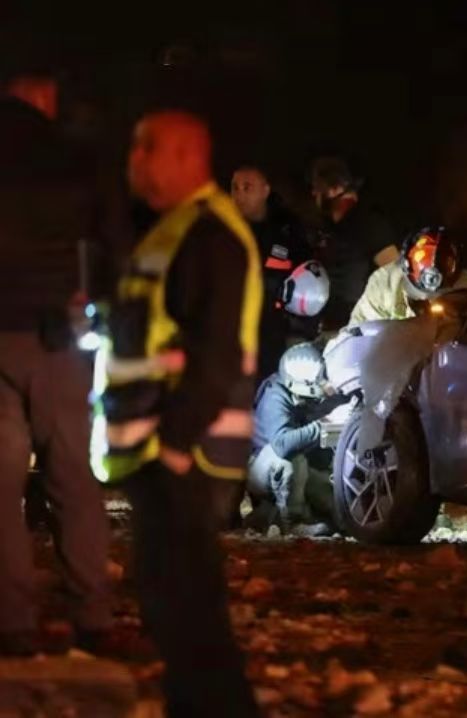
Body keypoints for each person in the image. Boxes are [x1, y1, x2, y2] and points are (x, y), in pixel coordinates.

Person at [96, 109, 259, 715]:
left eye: (148, 148)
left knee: (190, 611)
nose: (134, 161)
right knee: (174, 606)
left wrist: (173, 444)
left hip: (186, 454)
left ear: (189, 156)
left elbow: (217, 354)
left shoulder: (208, 235)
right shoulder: (175, 229)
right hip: (165, 451)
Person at [0, 68, 113, 656]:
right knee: (71, 476)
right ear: (45, 93)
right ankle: (91, 615)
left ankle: (12, 622)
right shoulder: (72, 155)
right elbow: (109, 239)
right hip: (56, 334)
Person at [246, 343, 342, 536]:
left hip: (296, 468)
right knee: (292, 459)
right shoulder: (275, 396)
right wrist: (323, 425)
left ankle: (266, 516)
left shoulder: (300, 393)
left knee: (331, 496)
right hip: (260, 466)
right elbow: (282, 444)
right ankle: (293, 523)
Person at [230, 165, 312, 380]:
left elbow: (308, 278)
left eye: (247, 187)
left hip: (275, 329)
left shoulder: (288, 228)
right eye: (235, 188)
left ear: (265, 191)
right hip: (232, 328)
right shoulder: (223, 227)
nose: (239, 194)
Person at [308, 156, 399, 327]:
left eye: (317, 188)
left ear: (335, 189)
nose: (314, 194)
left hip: (361, 329)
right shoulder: (328, 229)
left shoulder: (369, 223)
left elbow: (394, 273)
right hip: (328, 326)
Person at [348, 226, 467, 326]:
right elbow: (356, 334)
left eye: (436, 297)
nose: (426, 301)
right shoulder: (384, 285)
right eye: (418, 299)